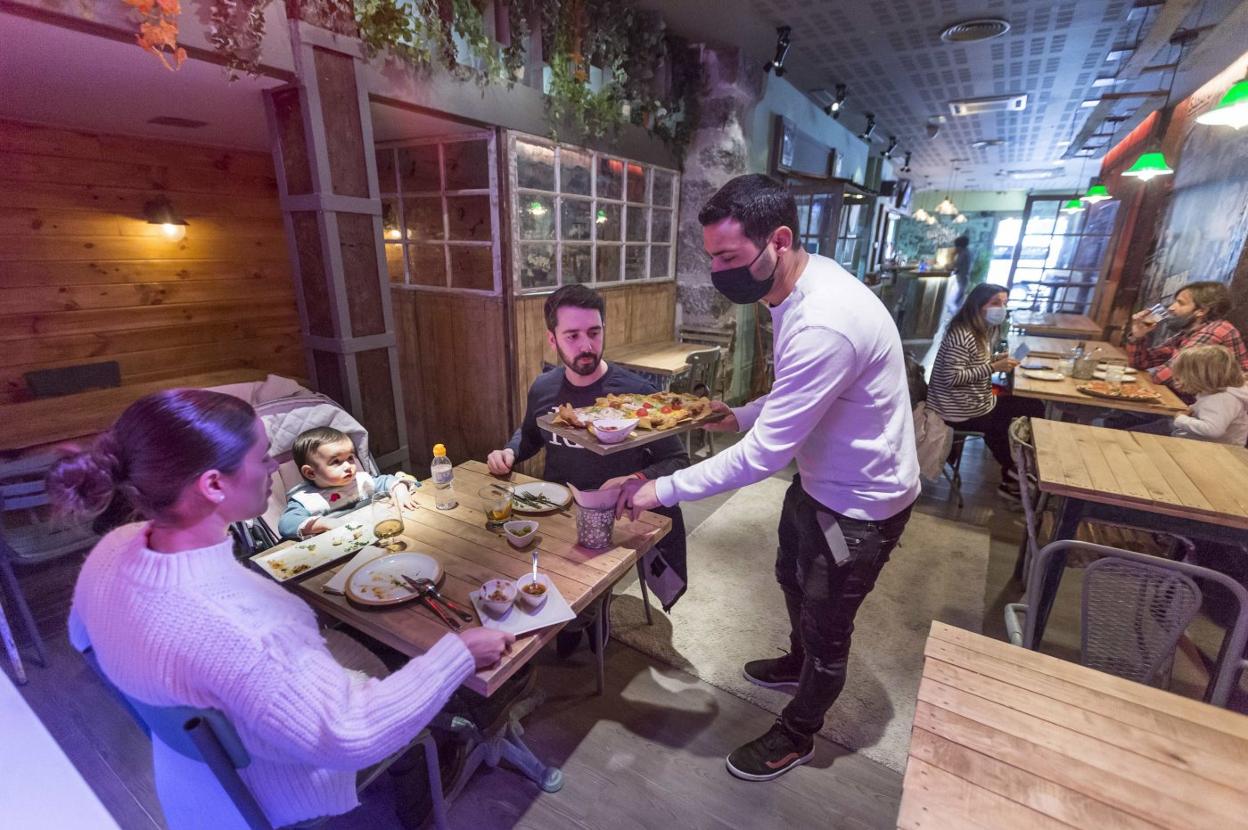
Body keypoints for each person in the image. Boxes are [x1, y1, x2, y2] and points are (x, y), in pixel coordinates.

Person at [50, 389, 513, 829]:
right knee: (407, 656)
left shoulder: (113, 549)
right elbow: (352, 730)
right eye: (261, 455)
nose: (274, 465)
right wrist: (459, 653)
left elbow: (81, 637)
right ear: (213, 484)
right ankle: (441, 768)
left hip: (193, 782)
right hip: (272, 788)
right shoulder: (251, 623)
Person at [615, 174, 920, 782]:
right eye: (712, 257)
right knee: (791, 574)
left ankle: (798, 733)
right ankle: (796, 661)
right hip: (820, 479)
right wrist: (742, 413)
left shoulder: (824, 322)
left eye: (728, 257)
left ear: (778, 239)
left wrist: (658, 490)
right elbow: (798, 399)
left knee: (829, 621)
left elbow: (759, 458)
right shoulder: (795, 288)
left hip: (862, 502)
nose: (718, 271)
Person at [486, 284, 691, 651]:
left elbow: (678, 459)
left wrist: (636, 478)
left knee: (576, 607)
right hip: (556, 512)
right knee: (500, 566)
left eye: (594, 333)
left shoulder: (637, 394)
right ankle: (573, 619)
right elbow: (530, 436)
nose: (586, 346)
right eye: (573, 335)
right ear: (553, 339)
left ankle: (591, 611)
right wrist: (510, 451)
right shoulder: (544, 389)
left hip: (613, 520)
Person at [925, 282, 1045, 498]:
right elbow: (953, 377)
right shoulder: (962, 334)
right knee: (1005, 420)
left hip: (974, 403)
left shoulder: (980, 331)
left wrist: (994, 360)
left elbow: (970, 364)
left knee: (1030, 407)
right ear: (978, 305)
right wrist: (992, 367)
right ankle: (1014, 474)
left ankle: (1014, 473)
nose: (1001, 308)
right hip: (956, 410)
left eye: (1004, 303)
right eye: (995, 303)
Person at [278, 426, 417, 540]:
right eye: (336, 462)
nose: (348, 466)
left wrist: (400, 490)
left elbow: (386, 481)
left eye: (350, 458)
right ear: (310, 473)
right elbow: (286, 524)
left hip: (373, 536)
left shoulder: (360, 481)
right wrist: (324, 523)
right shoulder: (307, 499)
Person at [1127, 280, 1248, 388]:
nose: (1171, 308)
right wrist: (1138, 335)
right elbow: (1141, 362)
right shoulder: (1188, 332)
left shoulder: (1215, 331)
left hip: (1224, 406)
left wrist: (1155, 373)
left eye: (1180, 303)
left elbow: (1162, 377)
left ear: (1201, 311)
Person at [1169, 345, 1248, 445]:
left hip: (1218, 452)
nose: (1178, 378)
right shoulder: (1216, 393)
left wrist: (1181, 419)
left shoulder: (1222, 399)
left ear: (1199, 377)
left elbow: (1212, 430)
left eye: (1182, 375)